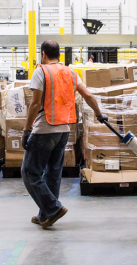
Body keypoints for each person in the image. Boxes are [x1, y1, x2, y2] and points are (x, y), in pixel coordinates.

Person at [22, 40, 106, 229]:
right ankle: (45, 214)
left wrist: (26, 129)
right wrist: (99, 114)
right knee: (53, 172)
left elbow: (35, 104)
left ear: (43, 54)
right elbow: (88, 96)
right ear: (58, 54)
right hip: (63, 130)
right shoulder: (71, 73)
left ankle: (53, 208)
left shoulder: (41, 71)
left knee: (29, 172)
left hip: (44, 129)